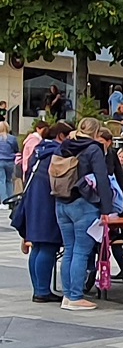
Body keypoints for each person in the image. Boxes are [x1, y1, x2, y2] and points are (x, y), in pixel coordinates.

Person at [54, 118, 115, 311]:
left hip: (61, 201)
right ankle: (76, 297)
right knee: (81, 251)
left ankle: (67, 295)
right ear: (96, 132)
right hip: (84, 204)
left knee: (70, 250)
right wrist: (107, 209)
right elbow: (102, 179)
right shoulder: (93, 149)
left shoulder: (65, 145)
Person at [11, 127, 64, 302]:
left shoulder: (39, 152)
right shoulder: (55, 154)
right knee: (48, 246)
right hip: (47, 204)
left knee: (38, 246)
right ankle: (42, 291)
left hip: (33, 203)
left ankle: (38, 288)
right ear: (61, 136)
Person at [0, 121, 16, 204]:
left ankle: (3, 201)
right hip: (10, 161)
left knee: (1, 180)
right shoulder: (12, 138)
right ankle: (10, 199)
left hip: (0, 161)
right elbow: (16, 149)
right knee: (9, 180)